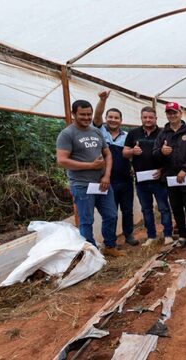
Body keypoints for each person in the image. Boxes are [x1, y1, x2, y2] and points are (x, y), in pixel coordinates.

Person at [56, 99, 123, 257]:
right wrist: (90, 166)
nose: (87, 118)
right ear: (74, 114)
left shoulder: (96, 131)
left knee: (111, 215)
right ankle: (91, 253)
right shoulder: (67, 134)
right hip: (82, 184)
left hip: (102, 183)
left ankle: (109, 246)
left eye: (89, 114)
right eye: (82, 114)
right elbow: (62, 160)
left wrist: (106, 175)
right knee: (86, 220)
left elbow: (107, 154)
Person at [92, 90, 138, 246]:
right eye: (110, 117)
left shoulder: (127, 136)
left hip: (125, 179)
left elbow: (133, 154)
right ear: (106, 119)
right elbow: (96, 116)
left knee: (127, 210)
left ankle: (129, 234)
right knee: (110, 212)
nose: (113, 120)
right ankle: (110, 240)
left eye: (116, 118)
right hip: (106, 180)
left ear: (121, 120)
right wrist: (102, 100)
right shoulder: (100, 131)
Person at [153, 102, 186, 248]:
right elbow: (154, 153)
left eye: (175, 112)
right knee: (176, 207)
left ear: (180, 113)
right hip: (171, 178)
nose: (172, 115)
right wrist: (162, 152)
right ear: (166, 115)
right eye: (169, 113)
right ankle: (183, 235)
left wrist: (184, 170)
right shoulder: (163, 133)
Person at [123, 106, 174, 246]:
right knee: (146, 209)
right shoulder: (133, 134)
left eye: (151, 117)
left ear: (156, 118)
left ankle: (168, 234)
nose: (148, 120)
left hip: (159, 178)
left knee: (163, 208)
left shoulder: (164, 133)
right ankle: (151, 236)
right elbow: (124, 153)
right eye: (145, 117)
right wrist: (133, 151)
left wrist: (162, 170)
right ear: (141, 118)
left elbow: (171, 155)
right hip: (142, 180)